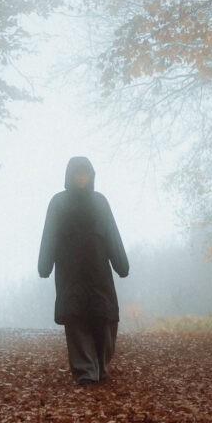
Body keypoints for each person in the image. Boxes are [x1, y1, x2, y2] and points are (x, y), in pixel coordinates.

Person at [38, 156, 129, 385]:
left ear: (91, 176)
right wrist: (44, 264)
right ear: (70, 176)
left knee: (104, 319)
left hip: (99, 273)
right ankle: (86, 373)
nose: (81, 177)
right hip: (71, 274)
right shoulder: (58, 203)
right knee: (76, 320)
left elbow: (112, 235)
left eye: (85, 173)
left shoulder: (100, 202)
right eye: (77, 173)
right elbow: (49, 235)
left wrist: (122, 264)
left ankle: (101, 367)